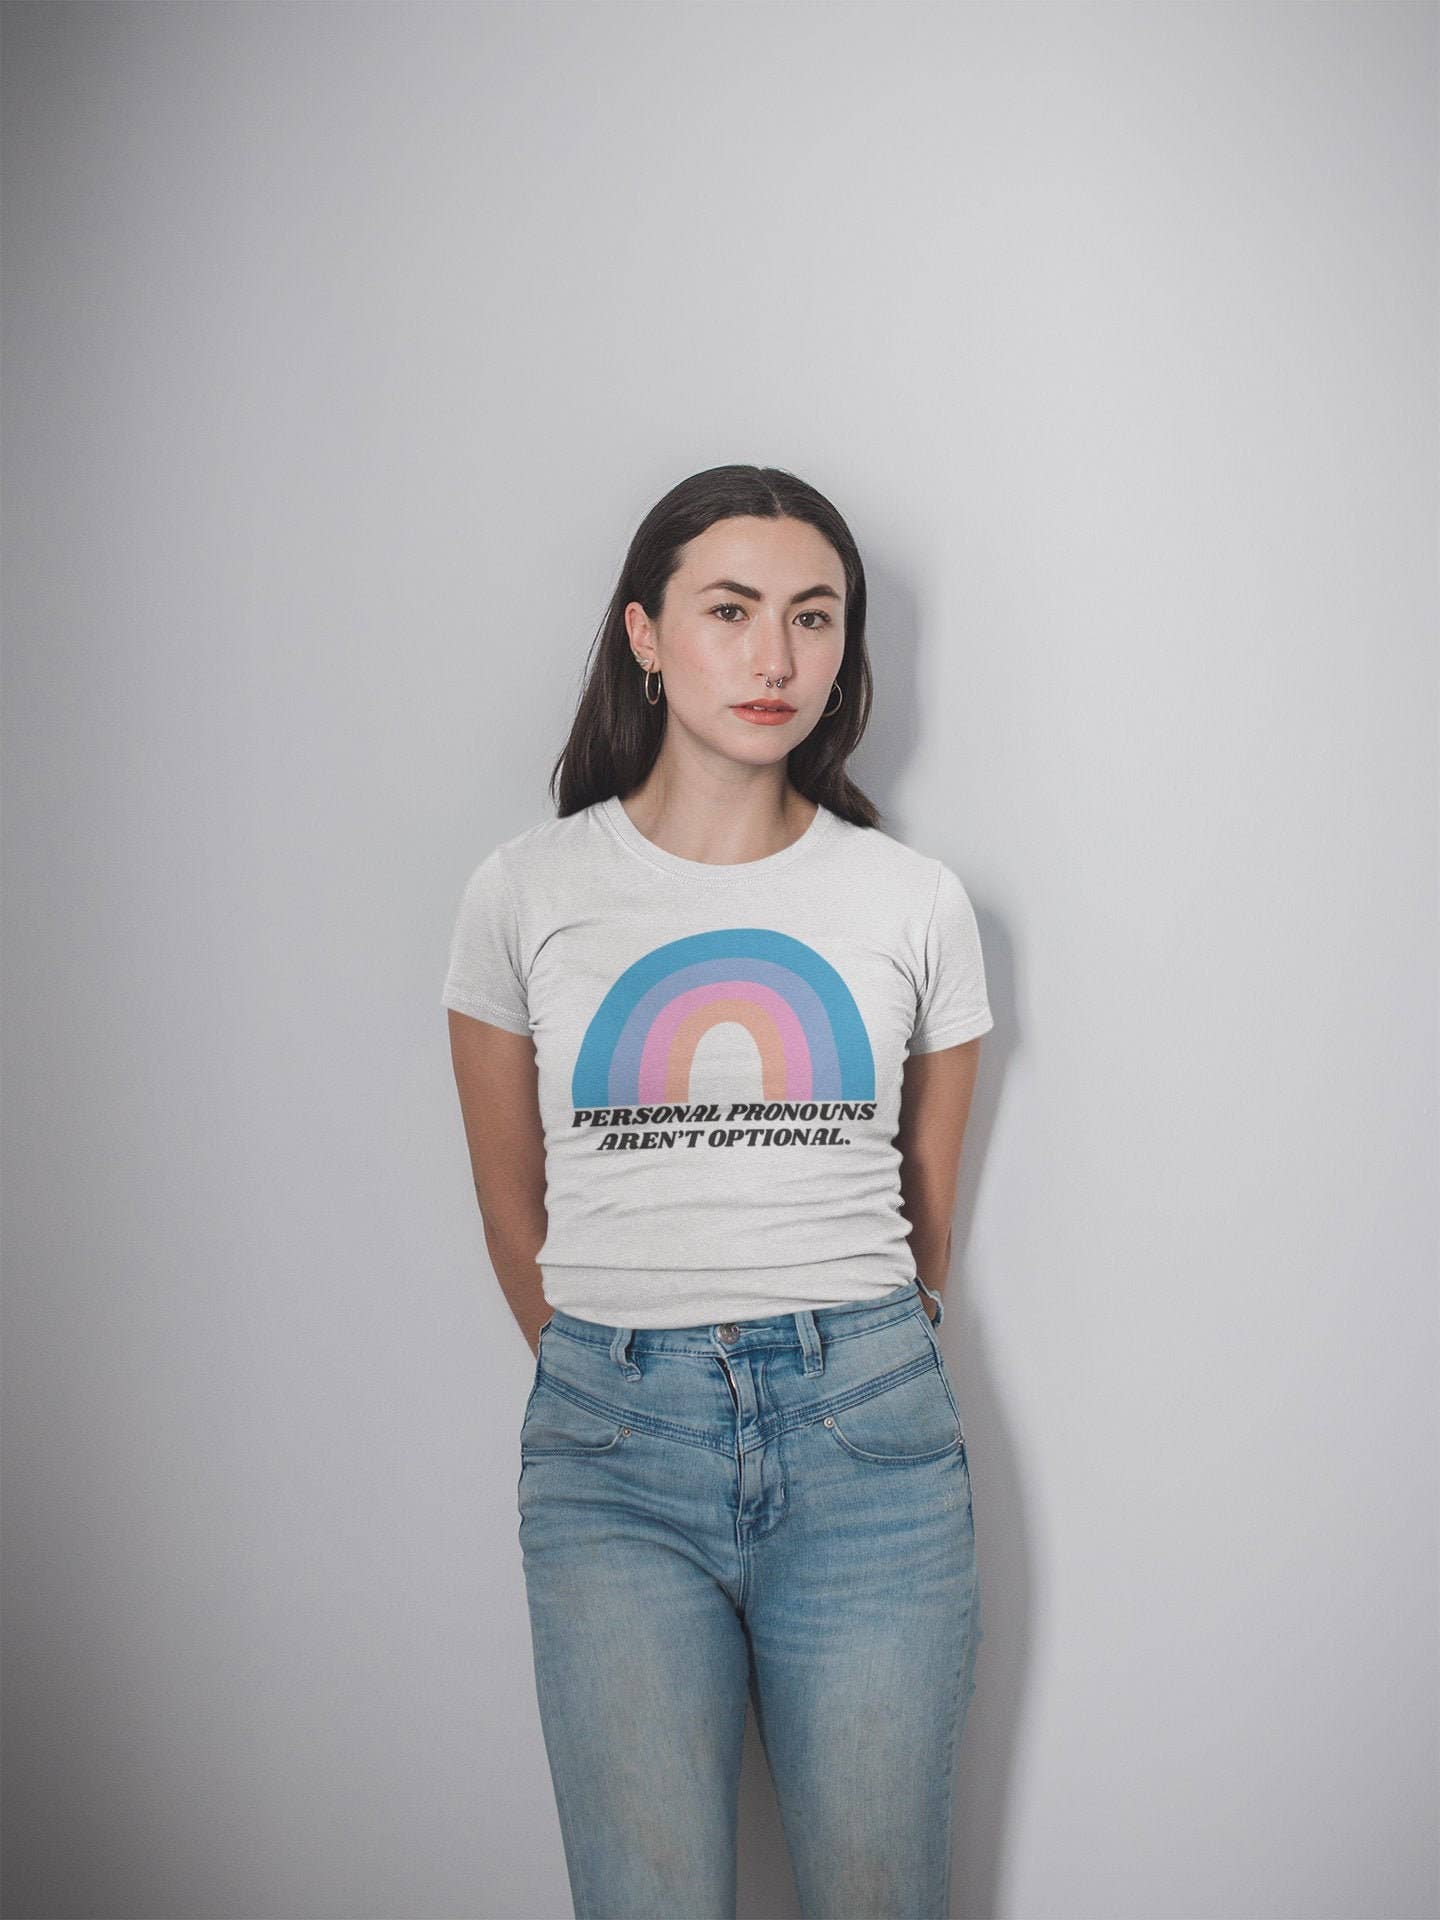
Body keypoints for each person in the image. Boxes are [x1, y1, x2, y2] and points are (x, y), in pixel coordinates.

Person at [442, 463, 993, 1920]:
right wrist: (621, 1372)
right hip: (611, 1457)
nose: (774, 658)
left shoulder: (912, 901)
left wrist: (851, 1359)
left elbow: (924, 1199)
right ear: (644, 633)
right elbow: (513, 1213)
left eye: (814, 618)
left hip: (868, 1435)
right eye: (731, 610)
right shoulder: (525, 892)